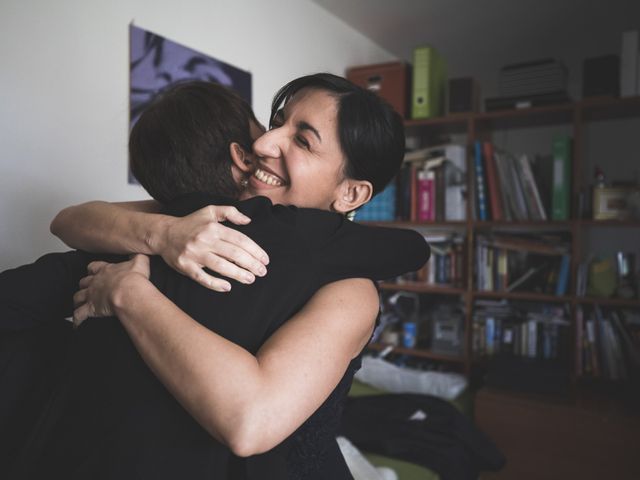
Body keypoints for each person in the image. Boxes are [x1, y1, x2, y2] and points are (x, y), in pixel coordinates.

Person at [5, 78, 428, 479]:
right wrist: (166, 233)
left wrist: (127, 292)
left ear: (351, 193)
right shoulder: (198, 220)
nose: (263, 143)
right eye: (277, 120)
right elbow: (72, 219)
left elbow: (252, 421)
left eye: (302, 140)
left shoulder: (350, 289)